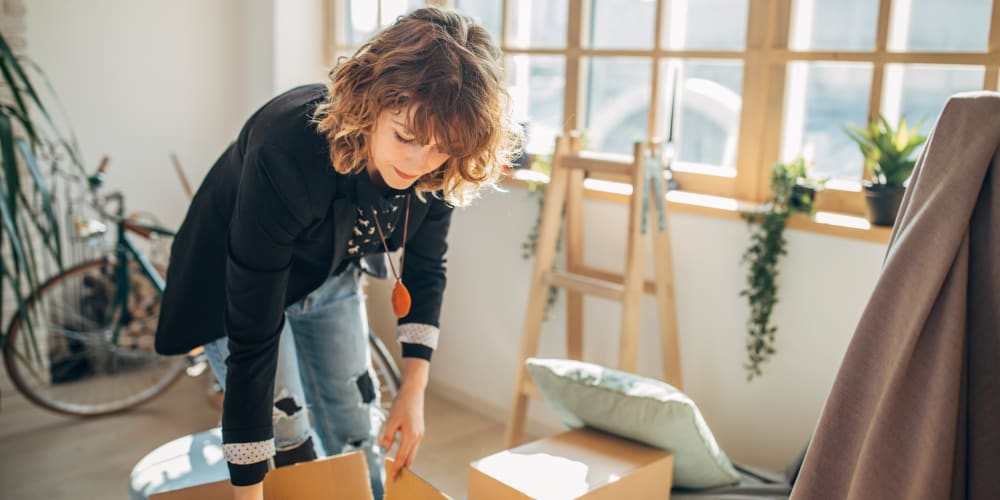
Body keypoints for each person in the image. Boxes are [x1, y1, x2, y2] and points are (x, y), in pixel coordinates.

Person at [153, 7, 518, 500]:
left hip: (330, 276)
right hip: (236, 281)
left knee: (355, 429)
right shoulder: (286, 148)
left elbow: (427, 269)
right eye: (405, 137)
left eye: (440, 149)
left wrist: (413, 392)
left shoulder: (435, 166)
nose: (418, 164)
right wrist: (248, 492)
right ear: (371, 103)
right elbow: (254, 337)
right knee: (288, 436)